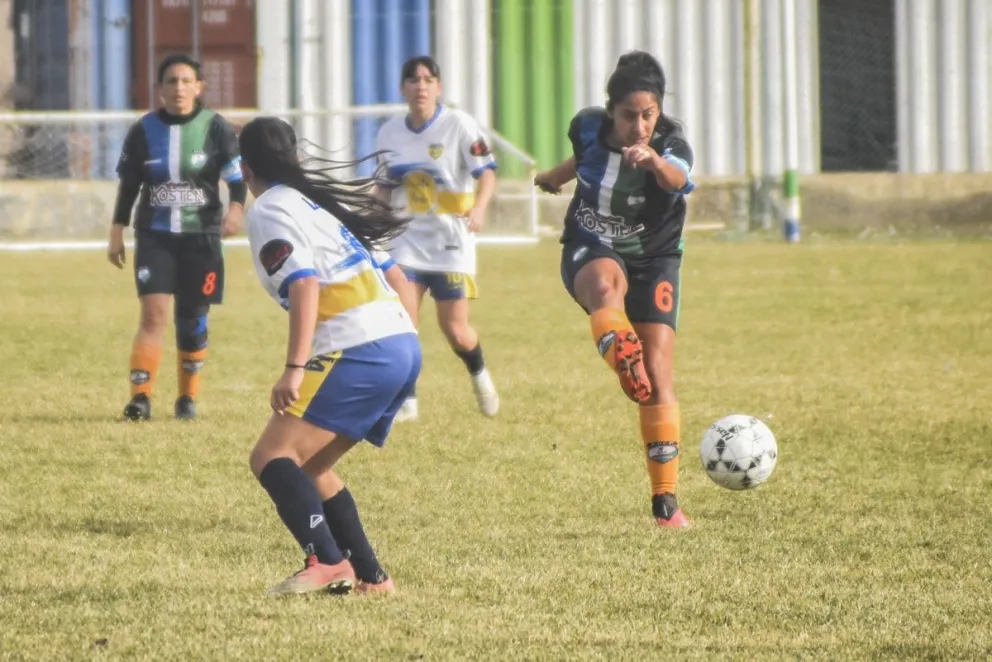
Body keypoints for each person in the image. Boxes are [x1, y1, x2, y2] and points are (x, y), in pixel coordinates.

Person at [240, 116, 420, 596]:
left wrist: (294, 368)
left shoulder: (270, 209)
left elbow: (303, 283)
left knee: (271, 456)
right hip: (401, 342)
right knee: (309, 466)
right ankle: (372, 576)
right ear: (295, 160)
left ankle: (327, 561)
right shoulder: (321, 206)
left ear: (243, 169)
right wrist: (401, 344)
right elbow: (398, 277)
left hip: (360, 345)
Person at [533, 51, 695, 528]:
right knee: (605, 285)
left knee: (659, 372)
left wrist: (653, 163)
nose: (640, 126)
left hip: (656, 256)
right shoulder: (584, 126)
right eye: (629, 116)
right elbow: (584, 157)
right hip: (593, 240)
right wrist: (552, 178)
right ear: (610, 112)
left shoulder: (672, 140)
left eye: (648, 114)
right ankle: (621, 354)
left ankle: (665, 499)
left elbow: (680, 179)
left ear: (659, 111)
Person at [108, 54, 246, 421]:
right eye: (171, 81)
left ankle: (187, 399)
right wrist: (116, 230)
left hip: (201, 238)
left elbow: (236, 181)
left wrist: (236, 211)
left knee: (192, 320)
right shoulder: (143, 130)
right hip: (155, 236)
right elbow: (129, 185)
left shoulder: (216, 128)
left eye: (186, 81)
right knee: (153, 316)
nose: (179, 88)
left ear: (199, 87)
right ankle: (140, 398)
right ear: (160, 89)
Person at [374, 55, 500, 422]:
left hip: (450, 244)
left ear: (439, 87)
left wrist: (478, 209)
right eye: (413, 80)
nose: (421, 86)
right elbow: (382, 188)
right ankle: (407, 401)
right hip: (405, 241)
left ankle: (480, 375)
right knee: (403, 324)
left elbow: (487, 174)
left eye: (428, 79)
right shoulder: (389, 133)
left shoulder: (459, 125)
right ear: (403, 89)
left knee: (456, 331)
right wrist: (368, 221)